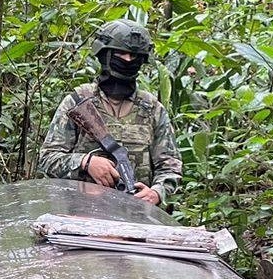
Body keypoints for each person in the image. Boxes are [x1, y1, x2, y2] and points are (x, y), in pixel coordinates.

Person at [38, 19, 181, 205]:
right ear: (105, 54)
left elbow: (170, 167)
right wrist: (86, 163)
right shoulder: (78, 102)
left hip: (135, 216)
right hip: (82, 216)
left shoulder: (153, 109)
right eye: (121, 53)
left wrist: (157, 193)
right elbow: (48, 159)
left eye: (134, 56)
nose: (128, 60)